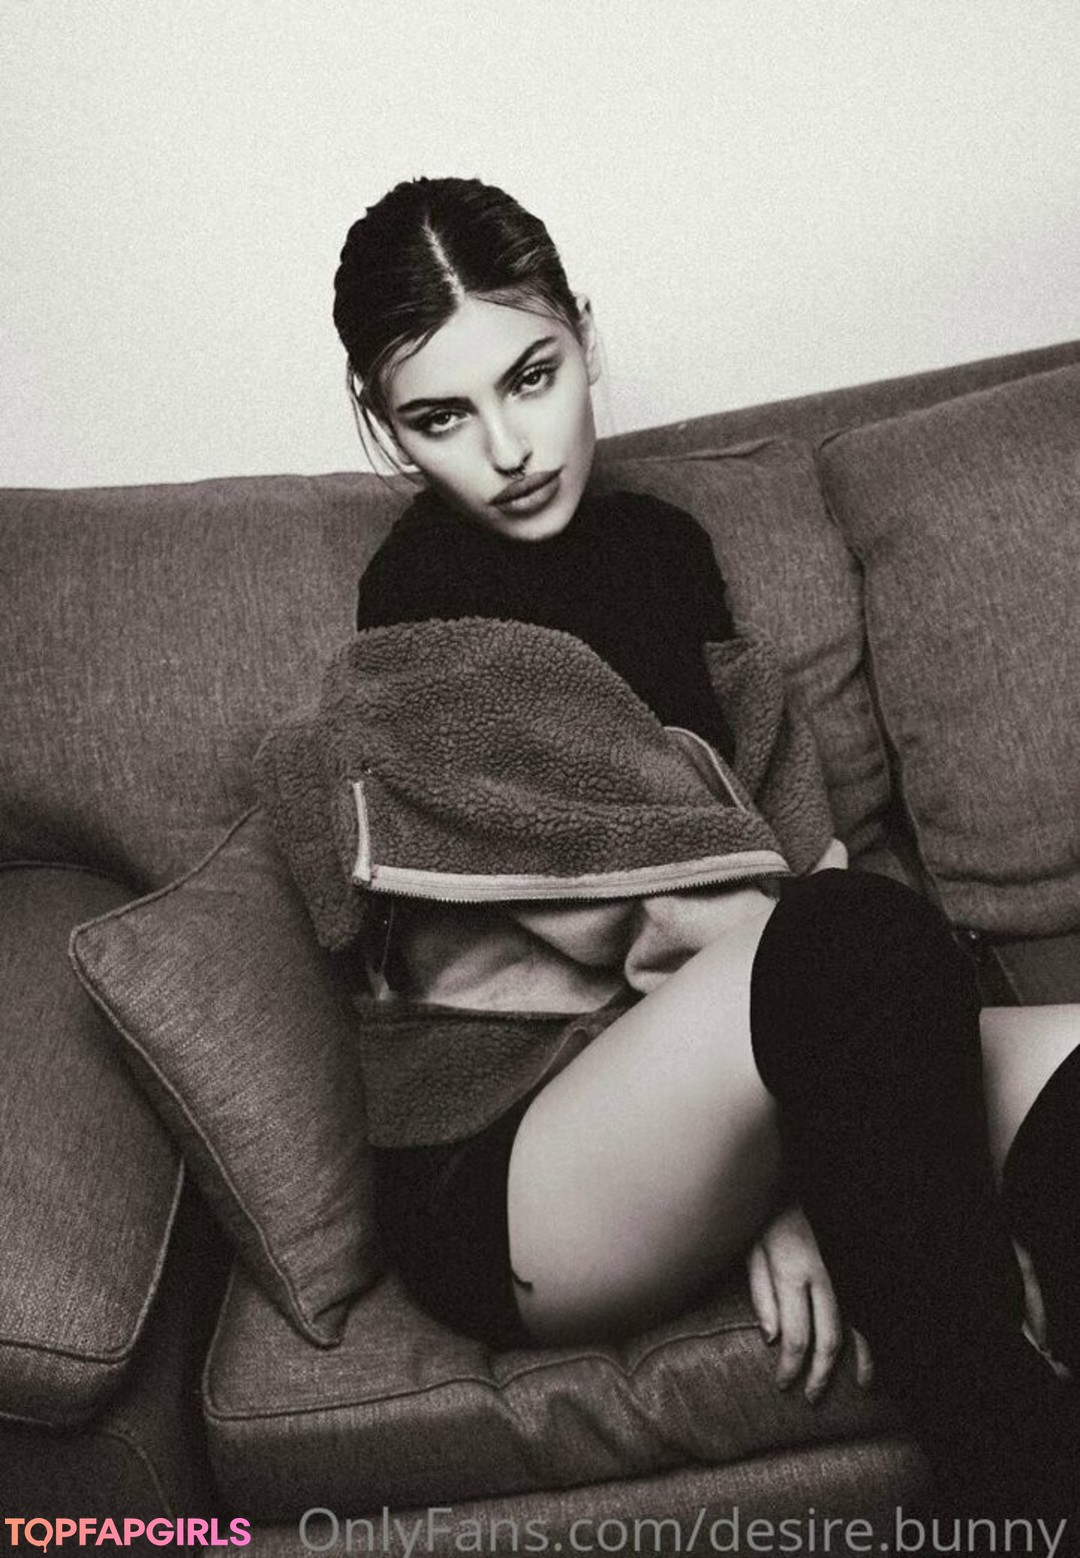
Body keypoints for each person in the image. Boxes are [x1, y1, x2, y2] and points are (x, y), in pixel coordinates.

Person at [331, 175, 1080, 1531]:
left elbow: (756, 834)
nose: (508, 448)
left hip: (755, 1040)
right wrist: (801, 1181)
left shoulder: (662, 550)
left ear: (585, 336)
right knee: (858, 944)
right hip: (514, 1166)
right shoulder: (418, 609)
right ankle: (1013, 1484)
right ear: (386, 427)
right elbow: (633, 911)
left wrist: (826, 1140)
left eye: (532, 376)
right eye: (442, 416)